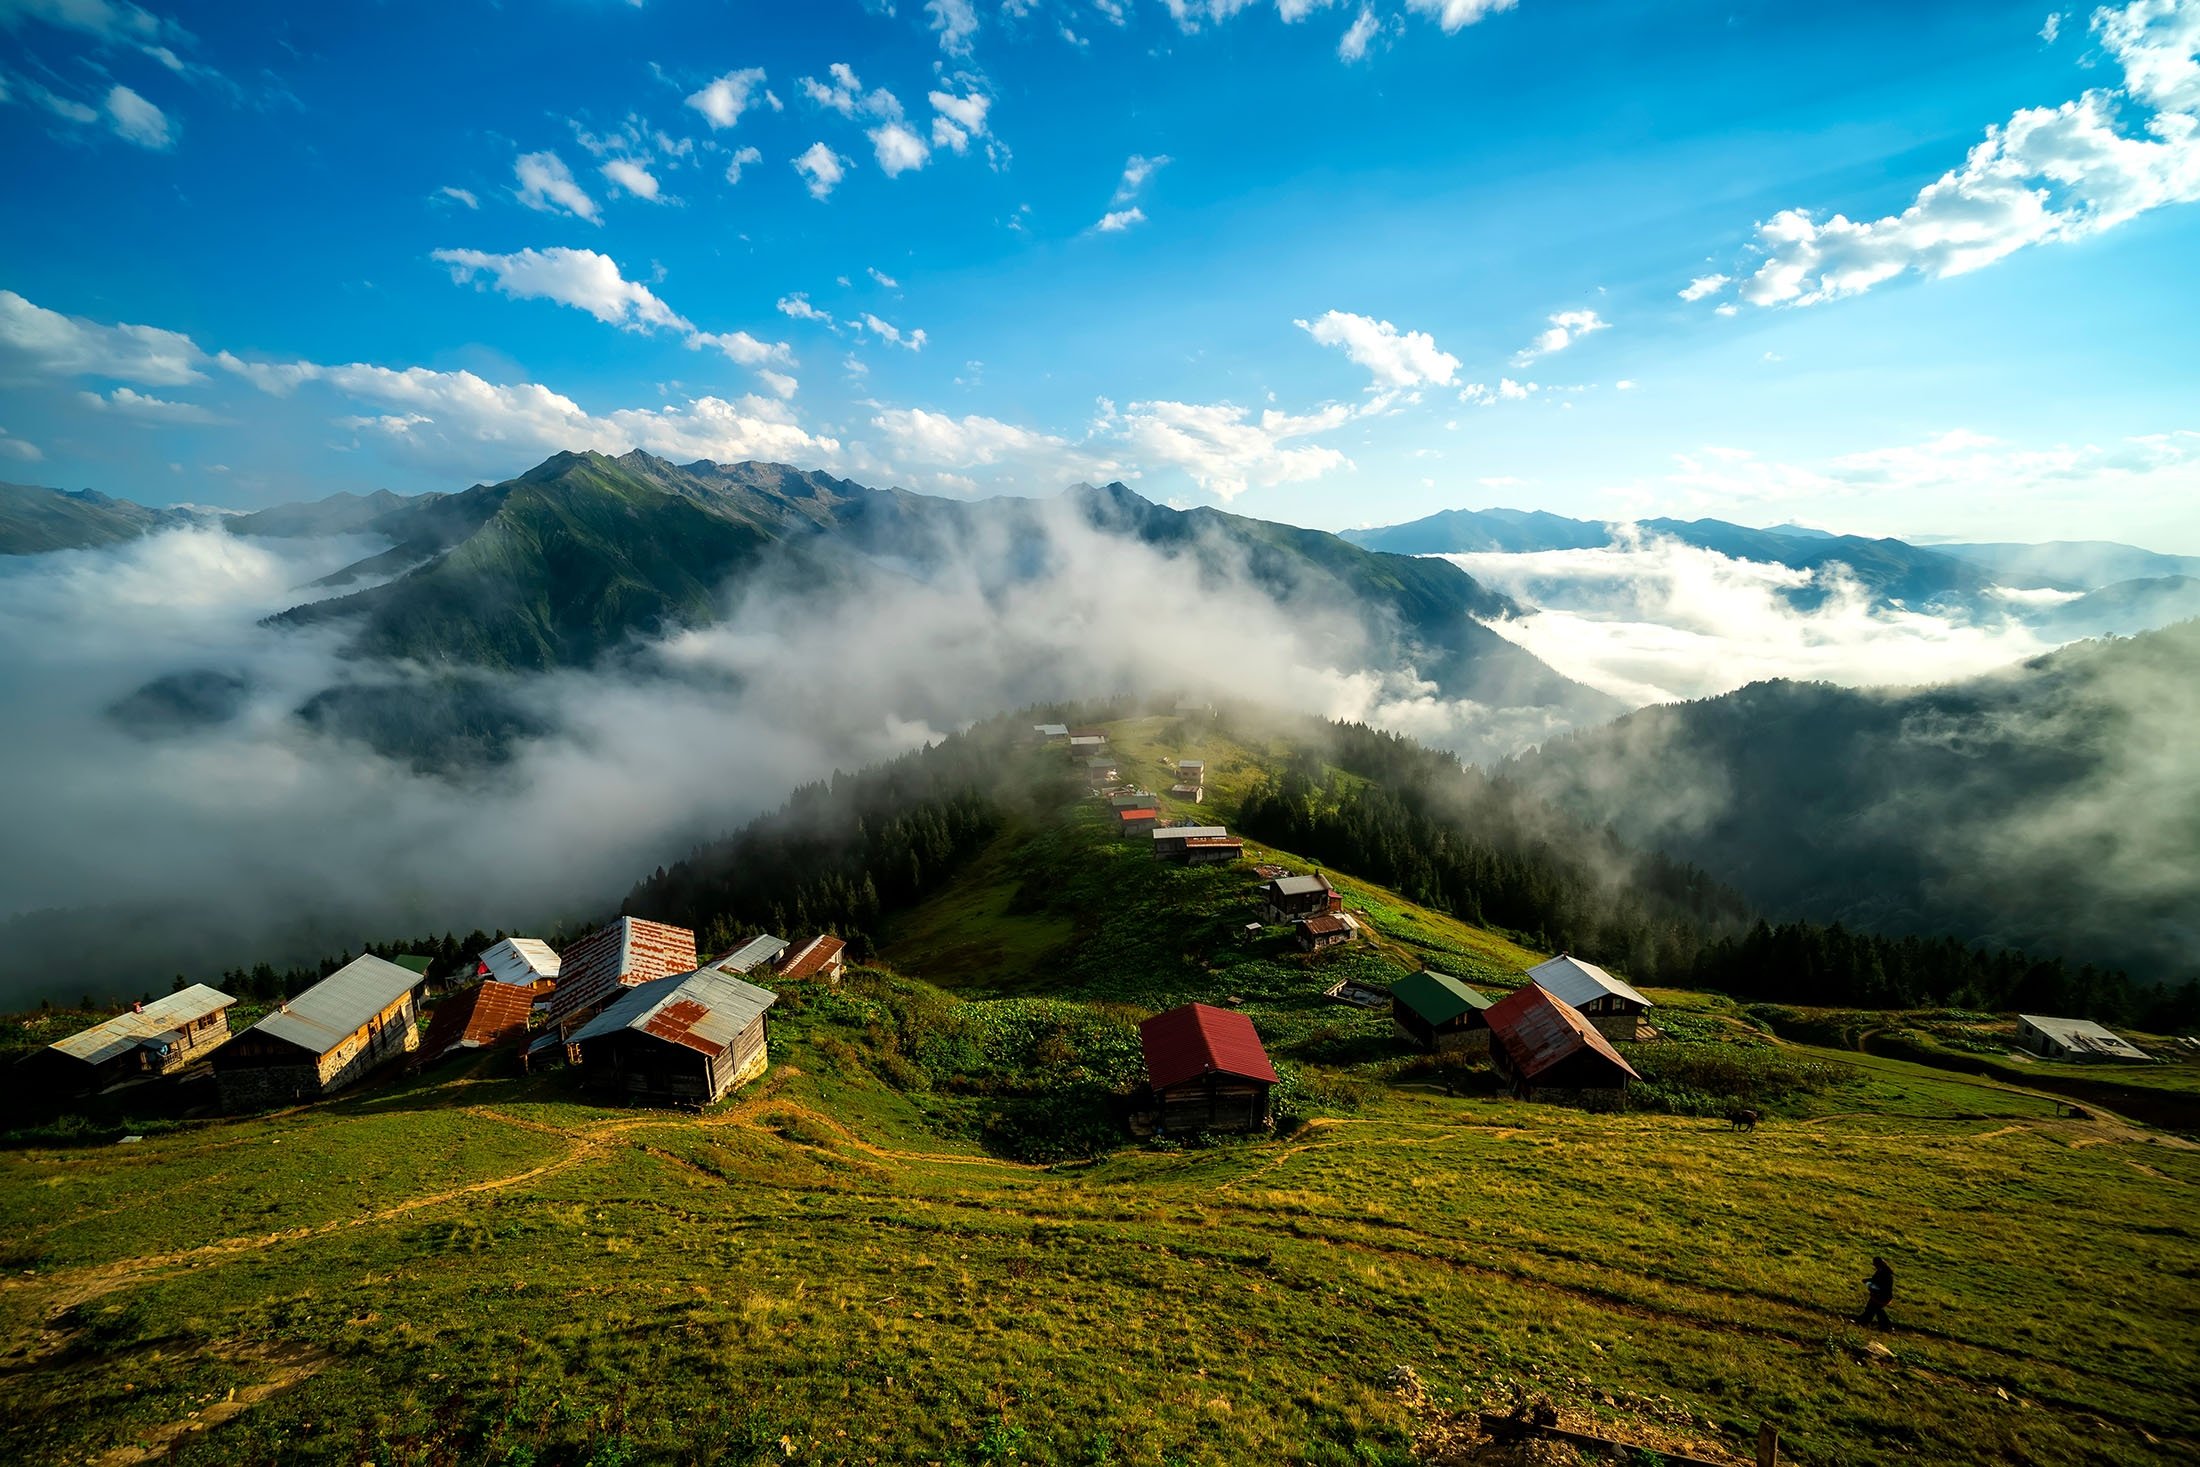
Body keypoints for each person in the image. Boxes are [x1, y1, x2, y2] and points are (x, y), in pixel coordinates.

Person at [1856, 1256, 1894, 1327]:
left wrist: (1871, 1285)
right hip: (1881, 1295)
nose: (1873, 1265)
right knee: (1874, 1309)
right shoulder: (1882, 1271)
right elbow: (1874, 1280)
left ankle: (1863, 1322)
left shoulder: (1884, 1273)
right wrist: (1867, 1280)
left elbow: (1880, 1284)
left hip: (1882, 1295)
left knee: (1873, 1308)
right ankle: (1864, 1322)